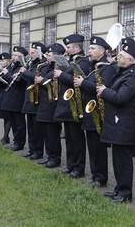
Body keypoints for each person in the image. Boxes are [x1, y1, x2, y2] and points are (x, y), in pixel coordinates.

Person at [98, 38, 135, 203]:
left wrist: (104, 91)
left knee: (123, 161)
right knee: (118, 159)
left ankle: (125, 193)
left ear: (131, 59)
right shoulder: (125, 73)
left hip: (125, 124)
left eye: (122, 55)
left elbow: (121, 97)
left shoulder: (133, 76)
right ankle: (119, 189)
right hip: (120, 123)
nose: (118, 57)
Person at [74, 36, 117, 187]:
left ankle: (101, 178)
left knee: (98, 149)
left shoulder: (107, 68)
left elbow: (101, 88)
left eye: (92, 49)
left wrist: (83, 83)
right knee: (92, 147)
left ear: (102, 51)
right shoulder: (95, 67)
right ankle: (95, 175)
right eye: (90, 48)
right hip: (90, 113)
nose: (89, 51)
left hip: (99, 113)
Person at [54, 34, 90, 178]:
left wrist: (61, 75)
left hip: (76, 105)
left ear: (76, 47)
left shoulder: (83, 62)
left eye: (68, 47)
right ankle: (70, 165)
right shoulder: (70, 60)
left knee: (77, 140)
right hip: (67, 105)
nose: (66, 50)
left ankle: (78, 168)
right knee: (69, 138)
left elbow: (78, 80)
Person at [34, 43, 64, 167]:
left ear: (56, 56)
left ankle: (55, 158)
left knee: (53, 134)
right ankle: (49, 155)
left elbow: (51, 80)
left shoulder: (59, 67)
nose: (47, 56)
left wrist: (42, 80)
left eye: (49, 55)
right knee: (46, 133)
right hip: (44, 104)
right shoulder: (46, 66)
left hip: (53, 104)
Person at [20, 42, 46, 158]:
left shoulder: (42, 64)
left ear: (40, 53)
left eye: (33, 52)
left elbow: (36, 78)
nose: (30, 55)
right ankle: (31, 149)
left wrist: (25, 72)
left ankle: (38, 151)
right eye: (30, 52)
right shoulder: (30, 64)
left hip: (37, 99)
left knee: (37, 128)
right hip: (29, 98)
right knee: (30, 128)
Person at [1, 46, 28, 151]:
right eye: (14, 55)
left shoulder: (22, 67)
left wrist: (6, 74)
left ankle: (19, 143)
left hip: (18, 98)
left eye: (17, 55)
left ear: (22, 57)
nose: (14, 57)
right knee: (13, 121)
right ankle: (15, 141)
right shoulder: (13, 66)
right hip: (10, 98)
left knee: (19, 123)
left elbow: (16, 80)